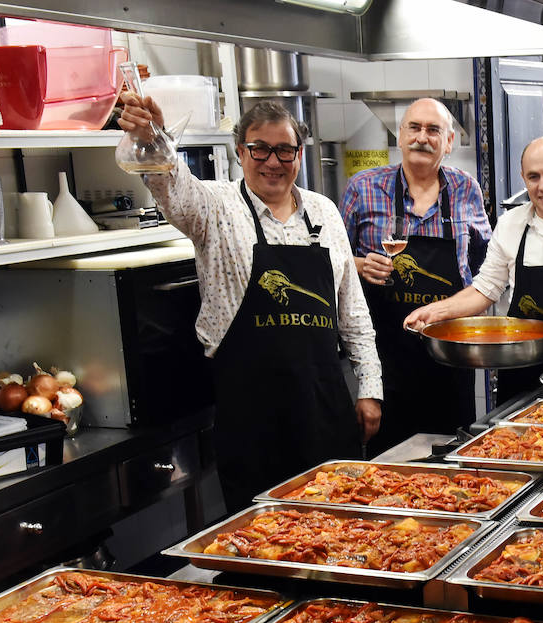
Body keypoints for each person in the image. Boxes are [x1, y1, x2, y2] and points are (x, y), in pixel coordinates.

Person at [116, 96, 381, 513]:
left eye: (285, 150)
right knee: (262, 536)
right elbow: (174, 190)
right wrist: (153, 140)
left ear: (299, 153)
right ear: (241, 152)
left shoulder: (325, 213)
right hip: (250, 414)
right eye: (260, 148)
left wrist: (370, 389)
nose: (272, 161)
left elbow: (353, 313)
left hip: (323, 405)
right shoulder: (215, 206)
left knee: (344, 525)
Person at [403, 137, 543, 405]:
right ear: (523, 179)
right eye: (533, 177)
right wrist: (434, 313)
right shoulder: (510, 223)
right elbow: (485, 288)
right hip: (517, 366)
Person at [340, 98, 493, 453]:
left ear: (449, 142)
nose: (422, 137)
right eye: (414, 128)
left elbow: (488, 262)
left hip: (451, 357)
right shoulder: (363, 187)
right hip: (386, 360)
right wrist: (361, 265)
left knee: (453, 462)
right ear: (400, 136)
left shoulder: (465, 188)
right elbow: (331, 262)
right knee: (388, 464)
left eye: (433, 130)